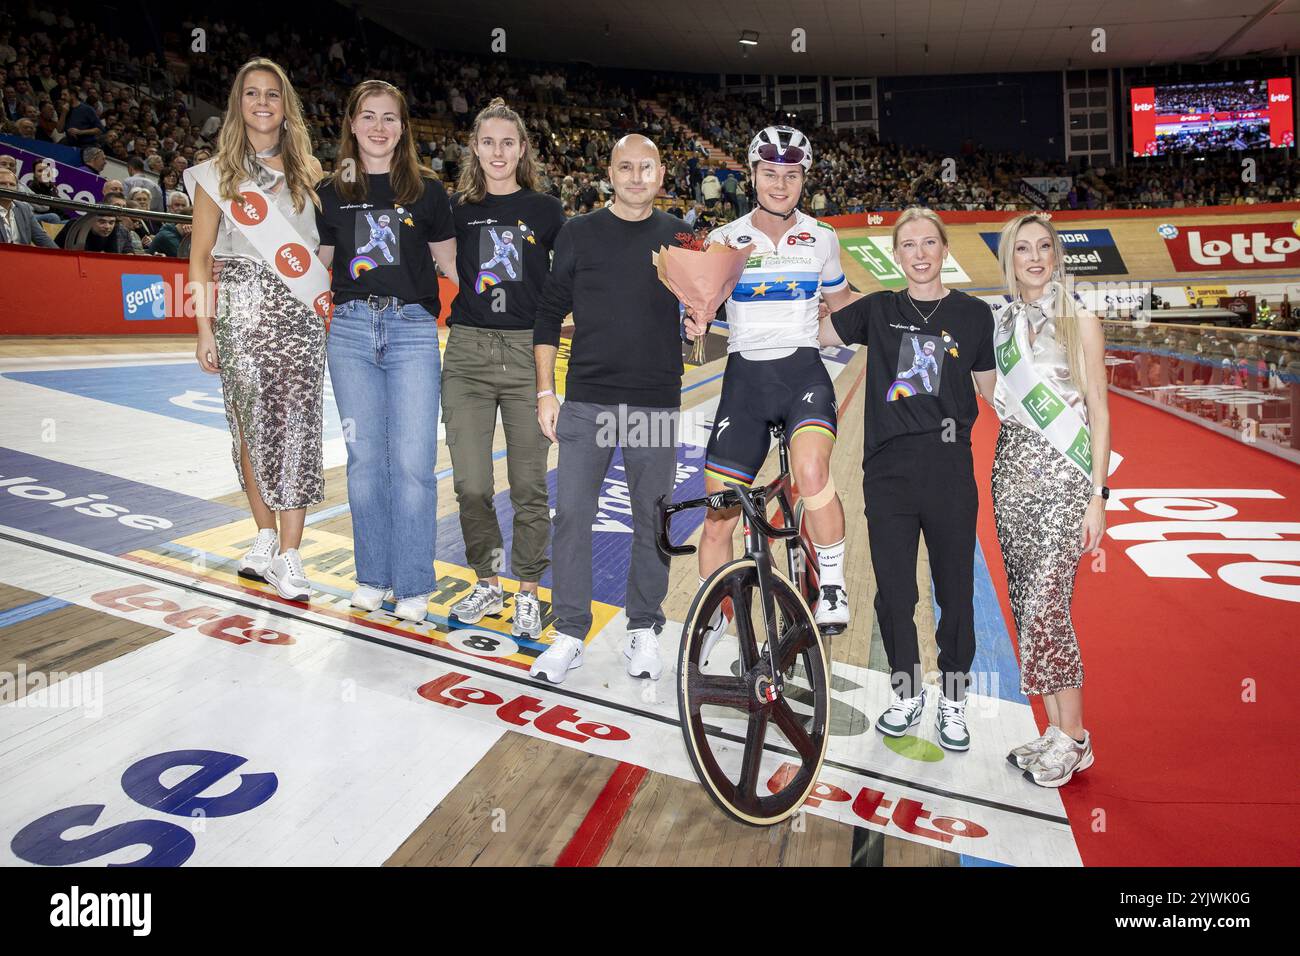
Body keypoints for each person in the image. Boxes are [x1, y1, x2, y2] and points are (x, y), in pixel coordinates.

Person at [820, 207, 997, 752]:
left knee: (956, 594)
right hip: (888, 474)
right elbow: (821, 332)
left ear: (945, 250)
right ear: (896, 256)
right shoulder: (878, 309)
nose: (919, 254)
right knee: (895, 592)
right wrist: (818, 274)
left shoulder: (973, 315)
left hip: (949, 470)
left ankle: (954, 700)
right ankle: (905, 693)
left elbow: (993, 390)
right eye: (908, 245)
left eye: (929, 243)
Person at [530, 134, 696, 684]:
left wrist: (700, 321)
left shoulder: (681, 236)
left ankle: (643, 627)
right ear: (609, 172)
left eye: (645, 167)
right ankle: (570, 631)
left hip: (654, 400)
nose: (634, 176)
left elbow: (701, 310)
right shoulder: (578, 233)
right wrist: (544, 392)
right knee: (573, 514)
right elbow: (550, 312)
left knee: (654, 518)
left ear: (661, 173)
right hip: (587, 400)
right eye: (624, 167)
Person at [698, 125, 856, 650]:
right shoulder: (724, 239)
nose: (780, 184)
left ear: (803, 180)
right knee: (717, 516)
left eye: (791, 175)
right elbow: (697, 314)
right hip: (745, 379)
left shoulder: (823, 237)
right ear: (753, 176)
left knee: (812, 471)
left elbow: (844, 308)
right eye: (770, 174)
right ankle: (715, 615)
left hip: (802, 374)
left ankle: (832, 585)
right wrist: (691, 320)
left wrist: (898, 319)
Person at [316, 79, 458, 622]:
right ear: (352, 124)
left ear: (403, 128)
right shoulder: (330, 192)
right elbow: (314, 264)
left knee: (416, 464)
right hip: (349, 332)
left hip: (411, 330)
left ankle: (415, 585)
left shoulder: (427, 190)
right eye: (368, 116)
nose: (379, 127)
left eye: (390, 118)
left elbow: (452, 267)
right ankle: (373, 575)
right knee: (366, 462)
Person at [187, 57, 328, 602]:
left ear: (285, 105)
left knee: (295, 426)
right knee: (249, 427)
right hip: (239, 307)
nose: (262, 102)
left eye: (273, 93)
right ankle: (264, 537)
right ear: (237, 104)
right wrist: (204, 326)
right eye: (251, 93)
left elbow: (328, 250)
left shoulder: (312, 173)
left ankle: (292, 553)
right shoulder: (214, 175)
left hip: (297, 312)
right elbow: (199, 257)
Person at [987, 214, 1110, 787]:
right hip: (1011, 472)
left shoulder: (1079, 316)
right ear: (1010, 259)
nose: (1034, 258)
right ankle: (1056, 730)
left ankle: (1078, 736)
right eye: (1023, 250)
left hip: (1065, 477)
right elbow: (990, 394)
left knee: (1049, 605)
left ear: (1056, 254)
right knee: (1026, 604)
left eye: (1043, 247)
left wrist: (1098, 496)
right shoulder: (1000, 321)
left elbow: (1101, 410)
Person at [444, 98, 565, 638]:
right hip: (467, 353)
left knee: (528, 486)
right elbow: (446, 263)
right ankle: (488, 582)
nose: (498, 151)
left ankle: (527, 592)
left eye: (508, 142)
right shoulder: (456, 209)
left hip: (527, 356)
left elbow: (568, 279)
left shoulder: (546, 210)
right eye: (488, 141)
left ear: (521, 150)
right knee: (471, 484)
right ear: (475, 147)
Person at [0, 166, 57, 247]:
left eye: (12, 184)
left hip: (22, 258)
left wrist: (62, 258)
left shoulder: (24, 208)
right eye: (2, 183)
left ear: (17, 189)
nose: (8, 187)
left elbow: (41, 238)